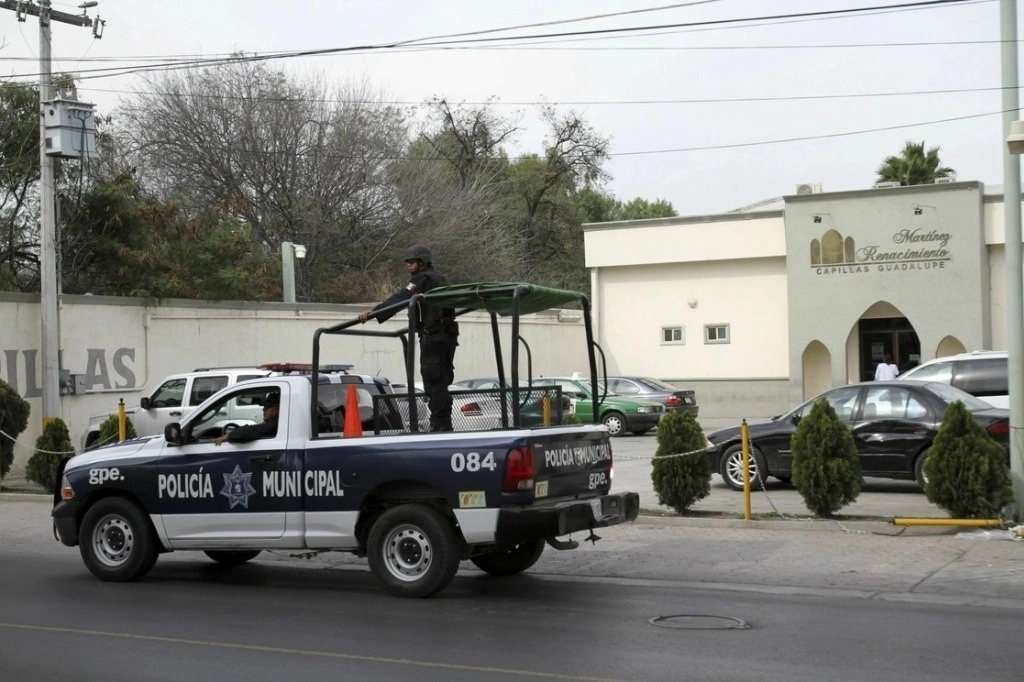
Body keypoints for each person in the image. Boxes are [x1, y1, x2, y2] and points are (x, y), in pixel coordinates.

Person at [358, 245, 458, 432]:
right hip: (447, 337)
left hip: (434, 336)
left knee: (433, 380)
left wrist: (374, 313)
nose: (408, 265)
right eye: (407, 262)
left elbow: (402, 297)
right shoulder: (440, 278)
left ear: (423, 262)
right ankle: (444, 424)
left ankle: (440, 427)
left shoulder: (423, 278)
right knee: (441, 381)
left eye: (412, 262)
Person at [214, 392, 281, 445]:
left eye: (268, 406)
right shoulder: (275, 423)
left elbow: (247, 432)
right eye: (264, 406)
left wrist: (229, 436)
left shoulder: (276, 424)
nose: (264, 409)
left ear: (279, 408)